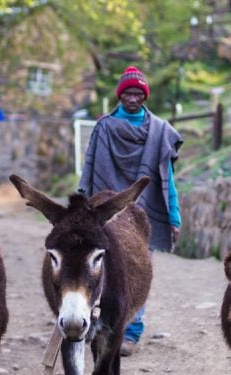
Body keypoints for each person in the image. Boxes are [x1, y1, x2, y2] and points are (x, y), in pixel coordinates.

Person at [77, 65, 183, 357]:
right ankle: (98, 323)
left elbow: (167, 180)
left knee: (139, 271)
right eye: (128, 93)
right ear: (120, 96)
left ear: (145, 96)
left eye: (138, 93)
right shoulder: (104, 128)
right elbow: (89, 171)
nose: (133, 98)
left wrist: (173, 215)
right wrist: (83, 211)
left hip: (144, 215)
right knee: (99, 270)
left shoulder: (160, 131)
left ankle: (131, 331)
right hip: (106, 214)